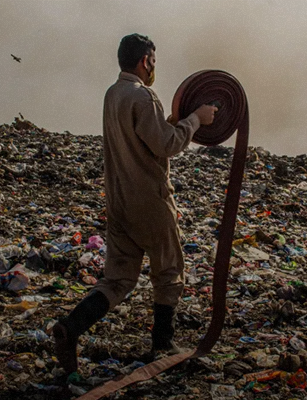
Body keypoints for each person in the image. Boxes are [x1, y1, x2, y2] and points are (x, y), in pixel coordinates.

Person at [51, 33, 218, 375]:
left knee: (117, 279)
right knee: (169, 271)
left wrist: (172, 120)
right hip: (150, 202)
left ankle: (71, 327)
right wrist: (197, 119)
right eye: (153, 61)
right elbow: (166, 145)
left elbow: (143, 136)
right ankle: (162, 342)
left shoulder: (113, 94)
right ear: (145, 61)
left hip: (119, 201)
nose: (154, 67)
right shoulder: (143, 97)